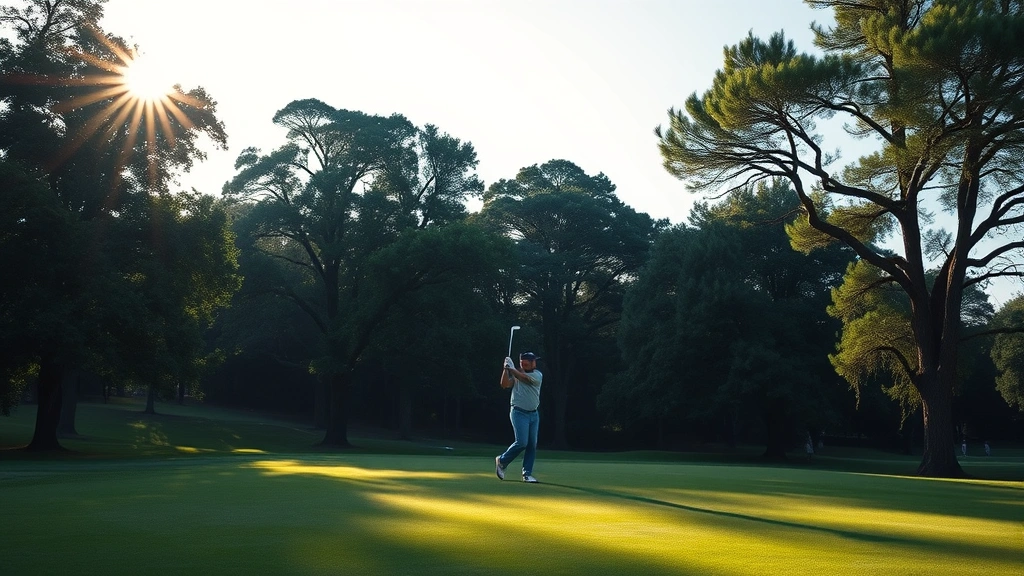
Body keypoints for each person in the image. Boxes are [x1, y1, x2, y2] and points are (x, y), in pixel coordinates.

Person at [495, 351, 543, 483]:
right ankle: (502, 460)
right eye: (533, 360)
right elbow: (505, 385)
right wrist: (506, 370)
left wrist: (511, 368)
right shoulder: (517, 375)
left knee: (532, 445)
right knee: (522, 442)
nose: (535, 362)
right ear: (526, 363)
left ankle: (527, 474)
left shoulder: (537, 375)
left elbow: (525, 379)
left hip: (534, 414)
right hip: (518, 413)